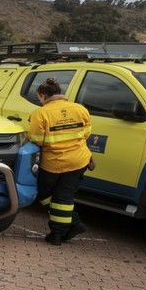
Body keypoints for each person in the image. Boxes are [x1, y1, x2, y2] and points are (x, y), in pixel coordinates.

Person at [27, 77, 92, 245]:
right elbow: (87, 132)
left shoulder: (41, 113)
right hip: (79, 160)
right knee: (64, 196)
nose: (39, 101)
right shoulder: (80, 109)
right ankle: (72, 224)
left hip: (54, 162)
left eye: (39, 98)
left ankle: (58, 234)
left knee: (48, 194)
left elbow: (36, 139)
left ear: (43, 95)